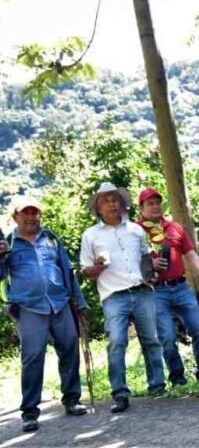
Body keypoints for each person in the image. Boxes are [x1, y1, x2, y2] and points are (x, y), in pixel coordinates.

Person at [0, 197, 88, 432]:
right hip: (28, 307)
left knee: (69, 349)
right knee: (32, 357)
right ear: (15, 217)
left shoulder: (51, 239)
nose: (31, 217)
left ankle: (72, 400)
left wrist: (78, 301)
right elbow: (1, 276)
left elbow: (67, 271)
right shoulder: (8, 242)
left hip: (60, 304)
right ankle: (30, 412)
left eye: (34, 212)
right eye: (25, 213)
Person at [80, 182, 165, 413]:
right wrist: (96, 267)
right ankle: (119, 392)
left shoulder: (136, 230)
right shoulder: (90, 235)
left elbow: (146, 257)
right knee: (117, 342)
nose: (112, 203)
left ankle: (157, 386)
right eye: (106, 200)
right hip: (113, 295)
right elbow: (85, 271)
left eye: (115, 199)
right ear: (98, 208)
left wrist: (150, 273)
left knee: (151, 339)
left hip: (141, 290)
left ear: (122, 204)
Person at [136, 188, 199, 387]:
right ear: (141, 208)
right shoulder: (135, 231)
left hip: (180, 286)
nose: (155, 206)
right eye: (150, 203)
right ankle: (178, 379)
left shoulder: (174, 228)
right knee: (168, 338)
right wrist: (149, 265)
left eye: (157, 202)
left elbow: (191, 254)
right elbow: (128, 261)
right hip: (156, 290)